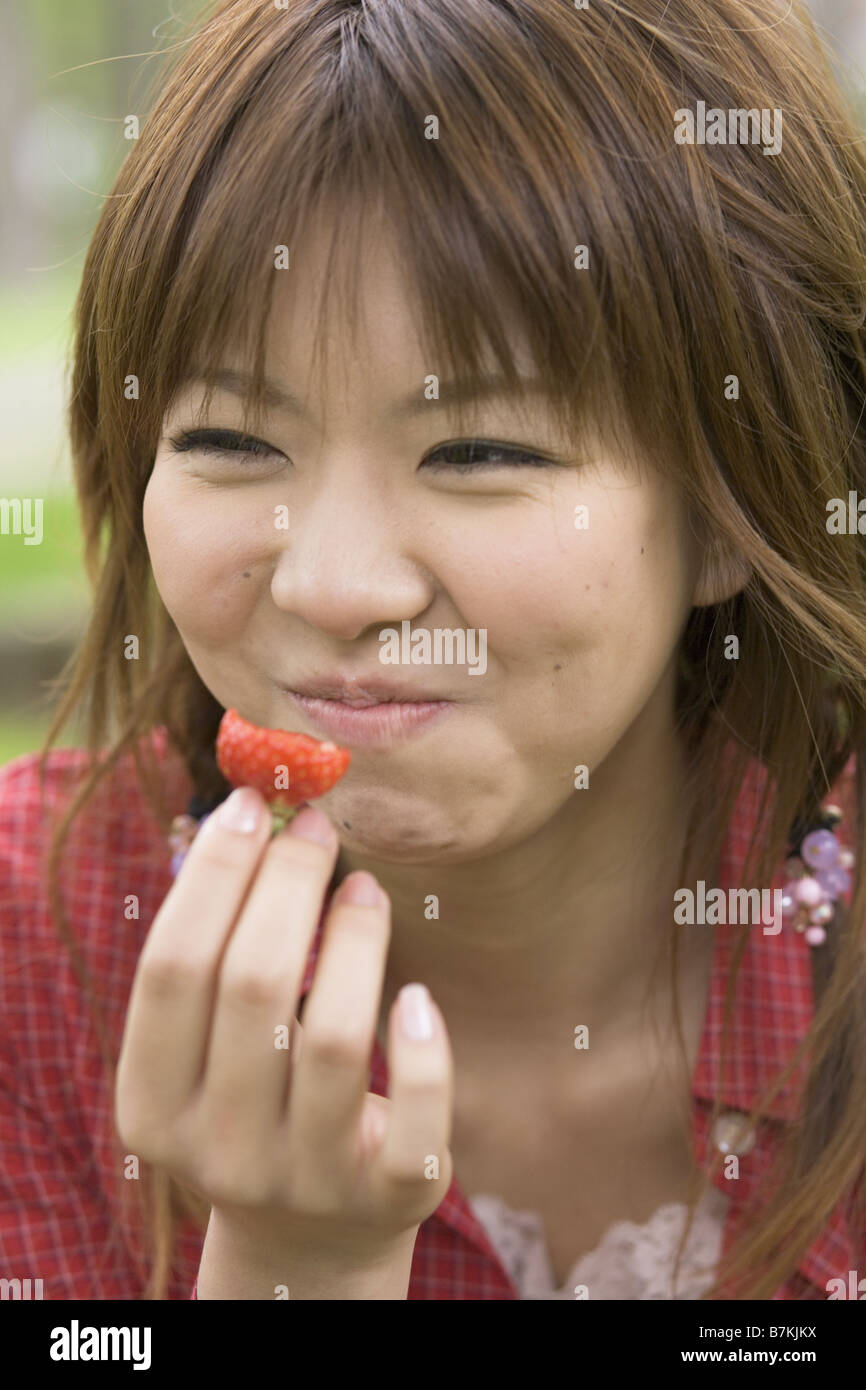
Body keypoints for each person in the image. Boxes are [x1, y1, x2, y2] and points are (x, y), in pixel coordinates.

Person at [1, 0, 865, 1301]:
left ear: (730, 508)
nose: (332, 584)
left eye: (480, 452)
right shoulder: (31, 950)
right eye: (233, 441)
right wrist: (294, 1269)